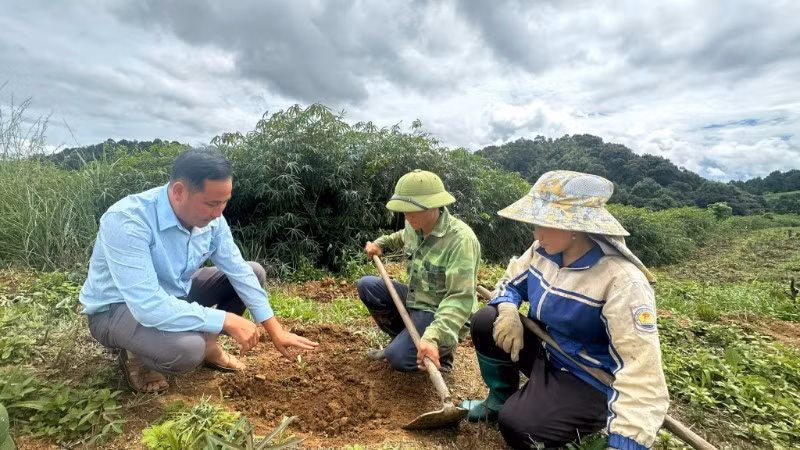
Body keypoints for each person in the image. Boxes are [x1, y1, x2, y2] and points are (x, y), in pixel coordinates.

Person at [79, 147, 318, 393]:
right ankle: (137, 354)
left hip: (174, 292)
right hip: (118, 308)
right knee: (186, 350)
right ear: (179, 191)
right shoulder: (128, 220)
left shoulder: (213, 219)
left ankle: (210, 347)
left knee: (254, 272)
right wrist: (224, 319)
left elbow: (238, 270)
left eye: (224, 203)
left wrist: (275, 330)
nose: (218, 213)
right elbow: (148, 305)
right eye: (211, 204)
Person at [462, 170, 669, 450]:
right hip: (548, 352)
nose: (536, 233)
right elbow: (510, 283)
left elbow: (641, 370)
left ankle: (583, 419)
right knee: (487, 319)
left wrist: (627, 441)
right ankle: (498, 400)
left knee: (520, 426)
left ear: (574, 227)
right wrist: (509, 309)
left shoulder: (621, 281)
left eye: (544, 224)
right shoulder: (542, 251)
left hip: (588, 377)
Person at [357, 169, 481, 372]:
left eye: (412, 210)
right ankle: (402, 340)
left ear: (434, 205)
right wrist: (380, 244)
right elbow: (400, 236)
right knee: (367, 286)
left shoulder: (461, 240)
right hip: (418, 299)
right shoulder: (414, 224)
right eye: (404, 210)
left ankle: (442, 355)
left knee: (398, 358)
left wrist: (433, 336)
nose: (407, 215)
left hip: (440, 310)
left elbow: (460, 299)